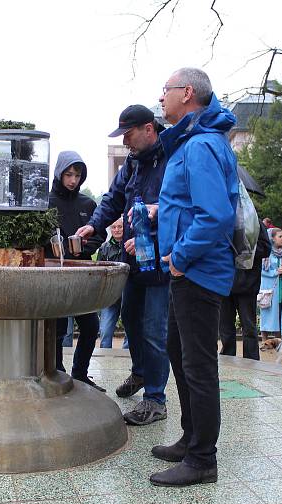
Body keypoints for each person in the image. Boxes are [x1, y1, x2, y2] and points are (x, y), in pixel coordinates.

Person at [151, 67, 238, 487]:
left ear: (187, 93)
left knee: (199, 365)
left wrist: (181, 257)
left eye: (165, 90)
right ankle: (190, 437)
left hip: (197, 271)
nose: (160, 97)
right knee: (178, 351)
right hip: (187, 270)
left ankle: (203, 458)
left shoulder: (200, 145)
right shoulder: (192, 141)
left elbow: (216, 214)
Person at [76, 104, 170, 422]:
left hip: (159, 262)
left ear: (148, 129)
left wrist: (155, 225)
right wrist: (94, 224)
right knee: (129, 318)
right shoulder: (131, 163)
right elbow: (114, 198)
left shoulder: (172, 156)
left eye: (128, 134)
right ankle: (141, 372)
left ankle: (155, 399)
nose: (126, 141)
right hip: (132, 260)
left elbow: (181, 206)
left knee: (155, 330)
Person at [48, 151, 105, 391]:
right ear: (59, 173)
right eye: (69, 174)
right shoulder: (46, 203)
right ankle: (58, 375)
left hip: (81, 275)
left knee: (91, 326)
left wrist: (84, 248)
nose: (73, 180)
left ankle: (80, 373)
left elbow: (99, 233)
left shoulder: (87, 204)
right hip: (54, 276)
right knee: (58, 329)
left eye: (78, 175)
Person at [219, 216, 271, 359]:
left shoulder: (254, 222)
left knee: (249, 327)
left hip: (247, 284)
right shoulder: (223, 218)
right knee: (225, 327)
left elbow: (266, 249)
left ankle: (251, 360)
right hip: (225, 283)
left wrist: (244, 247)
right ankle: (227, 359)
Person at [97, 219, 127, 349]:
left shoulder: (130, 246)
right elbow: (98, 271)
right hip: (110, 296)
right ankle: (104, 359)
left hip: (128, 293)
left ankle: (127, 357)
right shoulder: (104, 249)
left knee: (131, 331)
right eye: (114, 227)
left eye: (120, 227)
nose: (117, 230)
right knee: (104, 331)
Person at [260, 228, 282, 340]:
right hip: (268, 288)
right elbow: (262, 270)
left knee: (279, 311)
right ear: (272, 239)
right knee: (266, 311)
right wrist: (275, 272)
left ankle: (278, 338)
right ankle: (264, 339)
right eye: (280, 236)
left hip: (281, 288)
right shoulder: (266, 253)